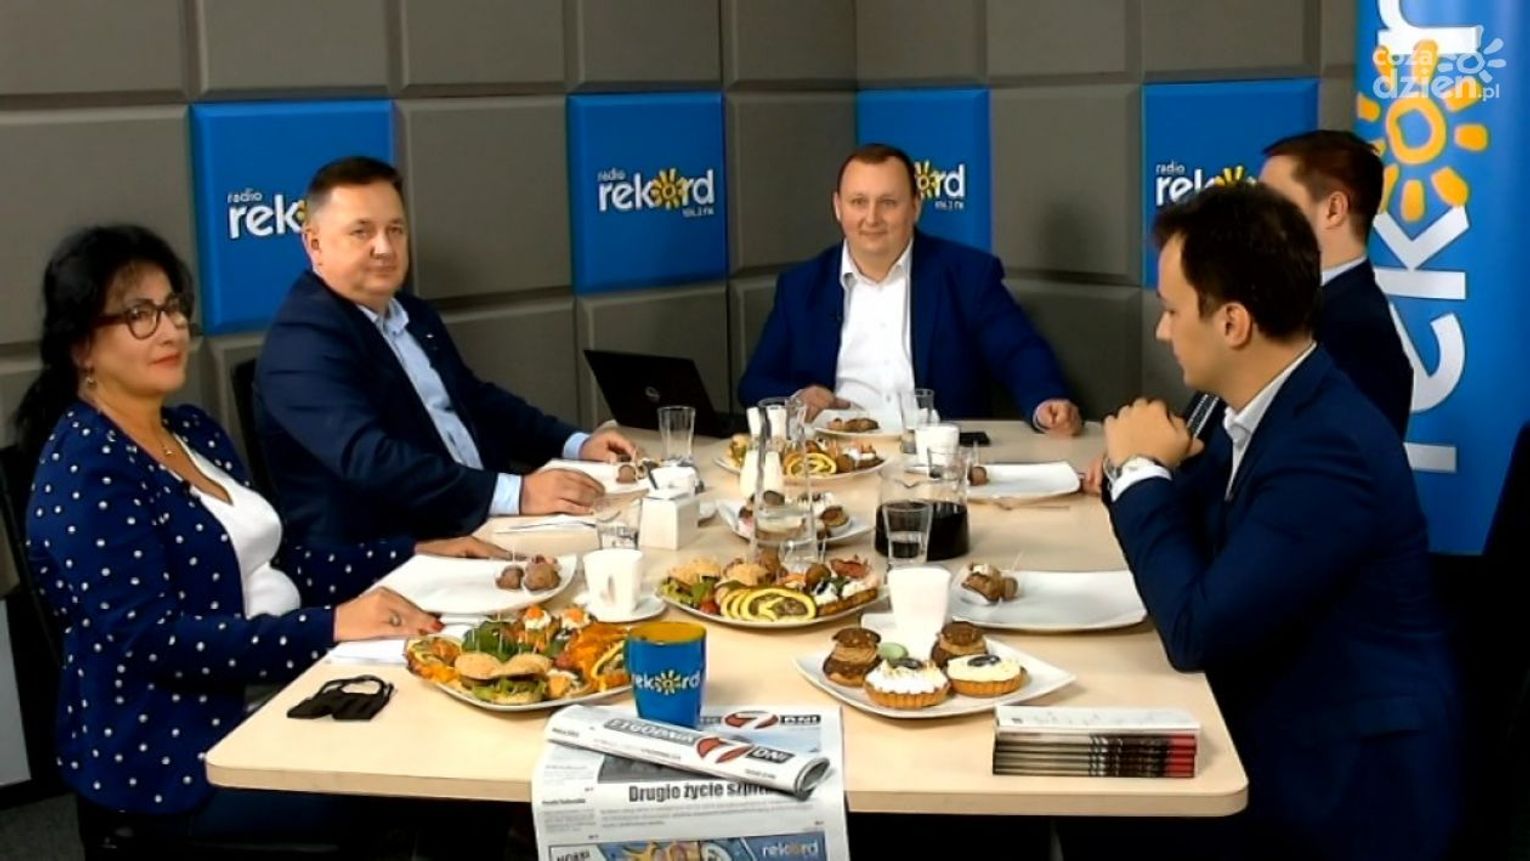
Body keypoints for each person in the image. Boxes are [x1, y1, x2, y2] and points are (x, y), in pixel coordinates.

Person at [15, 225, 471, 849]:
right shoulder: (86, 469)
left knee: (458, 714)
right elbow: (156, 639)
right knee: (433, 773)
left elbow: (280, 568)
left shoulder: (192, 431)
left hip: (289, 686)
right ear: (81, 347)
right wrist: (331, 626)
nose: (171, 330)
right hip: (181, 750)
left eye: (174, 307)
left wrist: (410, 554)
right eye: (140, 315)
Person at [1098, 185, 1460, 859]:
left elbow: (1196, 629)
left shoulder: (1324, 450)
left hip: (1345, 784)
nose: (1162, 332)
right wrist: (1148, 471)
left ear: (1233, 323)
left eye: (1172, 311)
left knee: (1096, 817)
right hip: (1278, 717)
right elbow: (1201, 552)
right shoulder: (1266, 406)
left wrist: (1141, 470)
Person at [255, 156, 637, 553]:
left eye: (395, 230)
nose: (384, 248)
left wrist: (576, 444)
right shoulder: (301, 342)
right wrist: (518, 493)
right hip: (396, 555)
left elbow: (475, 400)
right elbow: (372, 459)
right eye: (361, 232)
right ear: (314, 243)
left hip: (483, 521)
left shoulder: (412, 312)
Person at [1083, 129, 1415, 494]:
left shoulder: (1359, 333)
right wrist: (1143, 453)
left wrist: (1143, 472)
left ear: (1334, 209)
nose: (1254, 215)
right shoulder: (1278, 300)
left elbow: (1312, 478)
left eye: (1273, 202)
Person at [736, 143, 1081, 433]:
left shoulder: (967, 275)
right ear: (838, 207)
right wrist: (797, 398)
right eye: (858, 202)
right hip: (836, 459)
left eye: (888, 202)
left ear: (915, 207)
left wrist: (1045, 403)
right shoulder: (801, 287)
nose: (872, 218)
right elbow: (756, 383)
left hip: (936, 459)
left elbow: (1018, 352)